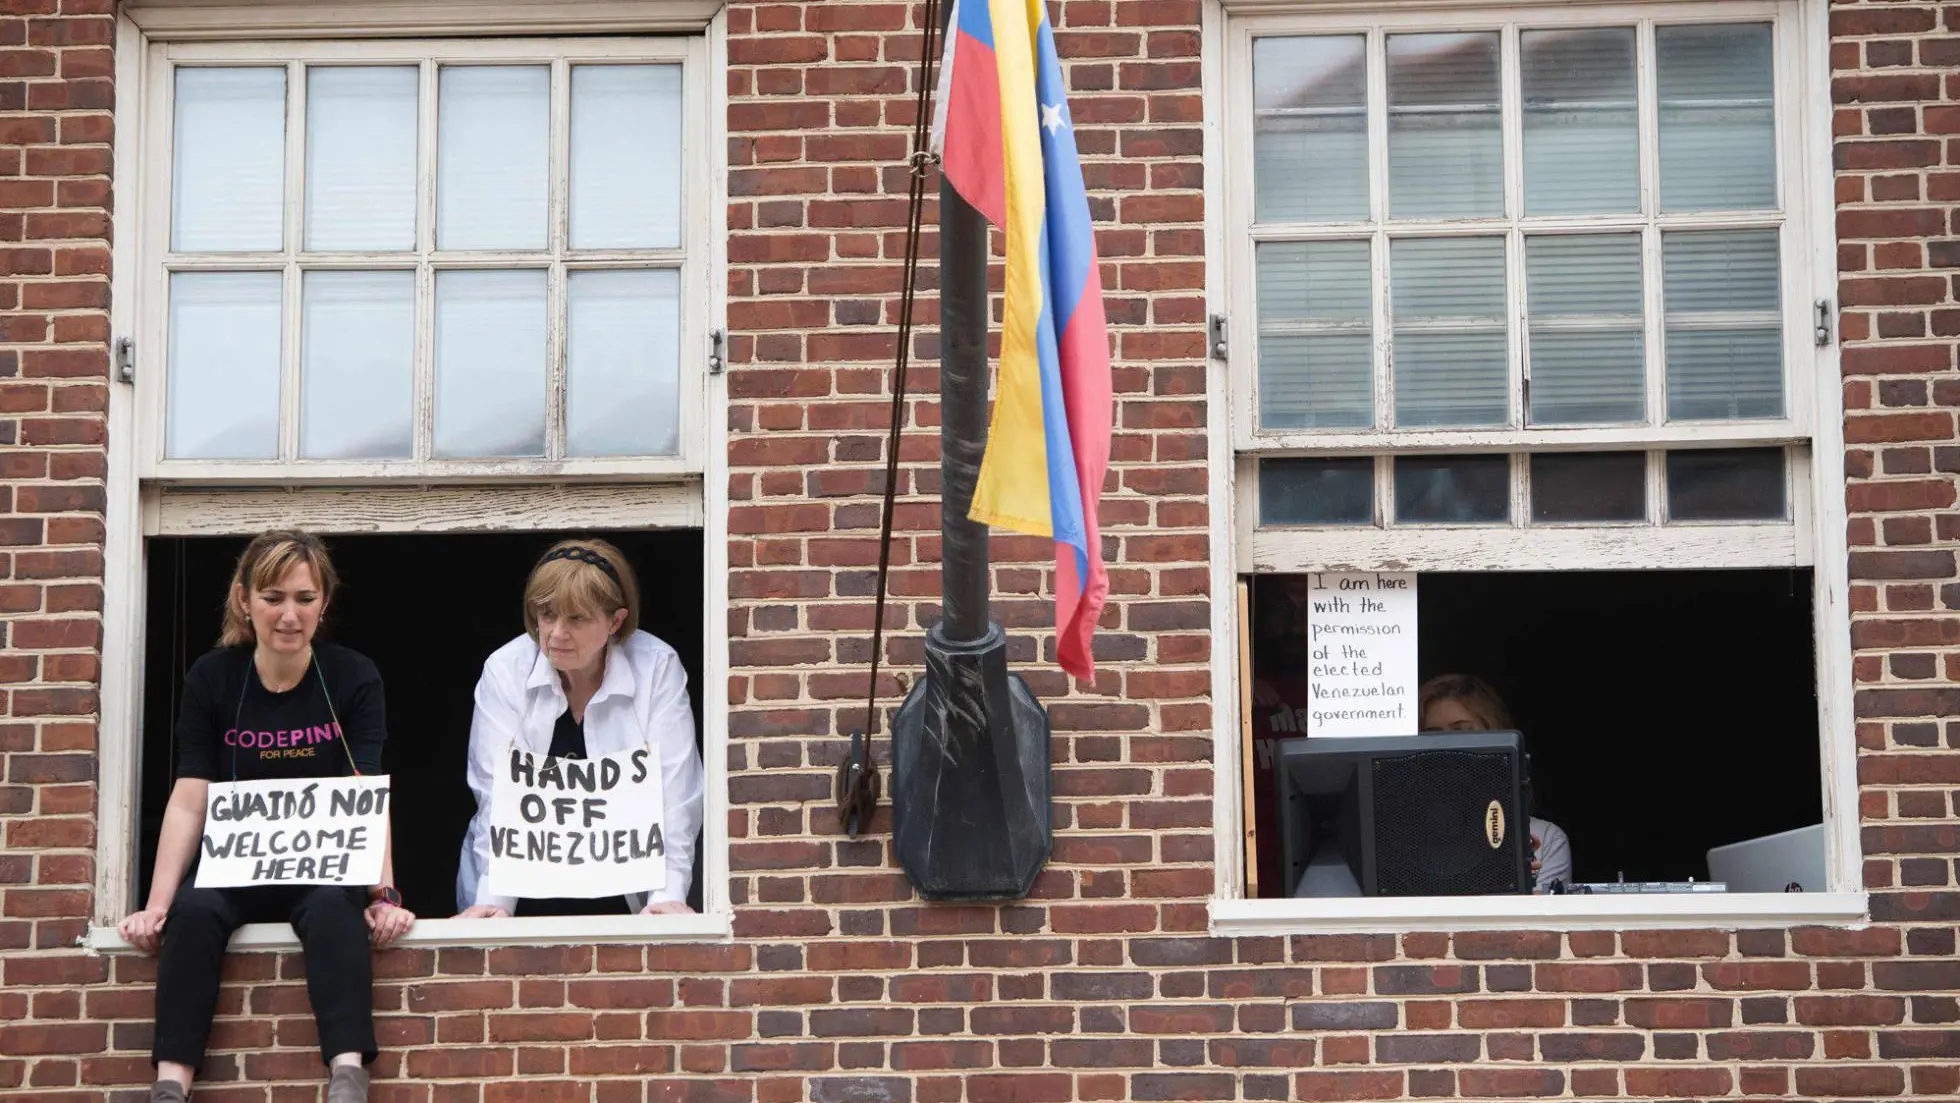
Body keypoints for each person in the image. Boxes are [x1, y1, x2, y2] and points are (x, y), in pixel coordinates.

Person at [118, 530, 414, 1103]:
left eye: (305, 598)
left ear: (324, 603)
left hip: (317, 865)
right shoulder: (212, 677)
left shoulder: (353, 676)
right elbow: (189, 796)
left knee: (335, 908)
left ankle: (348, 1074)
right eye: (273, 597)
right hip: (234, 866)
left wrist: (385, 893)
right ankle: (169, 1085)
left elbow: (367, 790)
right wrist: (157, 906)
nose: (289, 615)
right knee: (194, 910)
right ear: (243, 601)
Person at [455, 539, 704, 917]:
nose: (556, 633)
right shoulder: (505, 669)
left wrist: (667, 894)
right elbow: (494, 792)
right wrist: (493, 902)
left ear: (615, 621)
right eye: (547, 614)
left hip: (629, 896)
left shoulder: (657, 667)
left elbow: (676, 790)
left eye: (577, 618)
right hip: (522, 895)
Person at [1418, 673, 1573, 892]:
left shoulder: (1545, 838)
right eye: (1432, 736)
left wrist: (1519, 882)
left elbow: (1531, 924)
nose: (1448, 746)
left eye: (1462, 732)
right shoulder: (1393, 835)